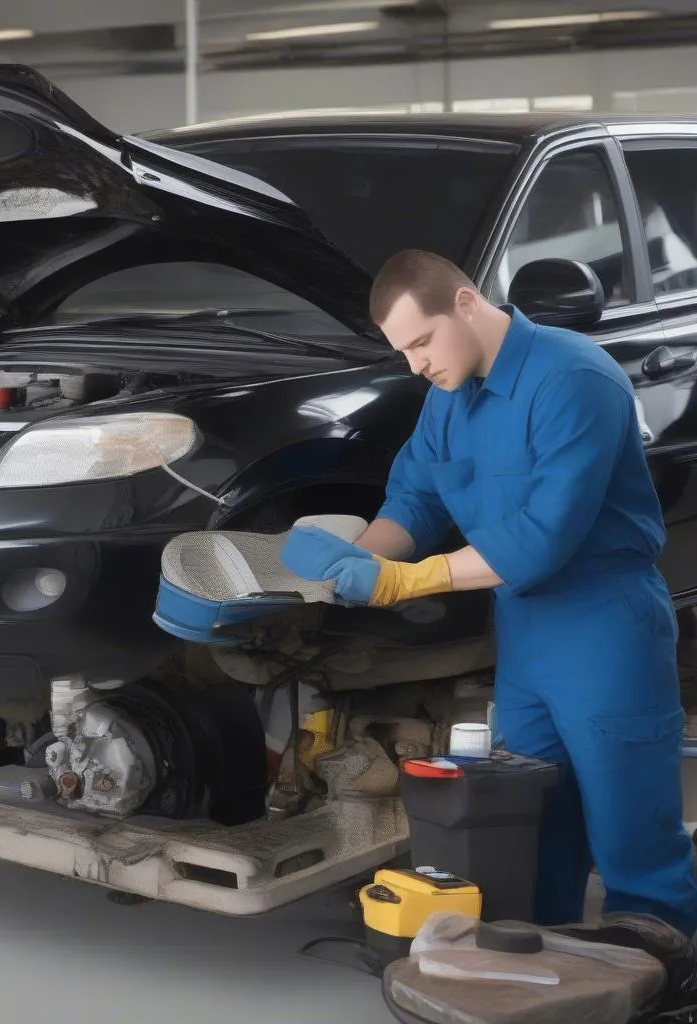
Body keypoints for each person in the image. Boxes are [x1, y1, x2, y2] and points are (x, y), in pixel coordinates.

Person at [284, 248, 697, 935]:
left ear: (468, 304)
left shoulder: (574, 379)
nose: (416, 364)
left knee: (631, 829)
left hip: (604, 625)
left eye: (422, 341)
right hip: (526, 635)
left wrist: (405, 579)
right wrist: (350, 560)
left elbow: (542, 537)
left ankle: (663, 976)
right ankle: (544, 975)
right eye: (403, 351)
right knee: (533, 821)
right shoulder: (450, 400)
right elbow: (414, 500)